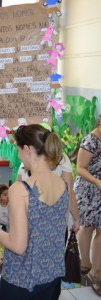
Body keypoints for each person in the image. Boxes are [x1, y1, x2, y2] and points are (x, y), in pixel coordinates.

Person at [0, 124, 69, 300]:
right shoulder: (63, 184)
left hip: (23, 280)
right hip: (52, 276)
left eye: (18, 150)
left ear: (27, 149)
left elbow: (18, 246)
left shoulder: (20, 189)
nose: (18, 156)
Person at [17, 152, 80, 233]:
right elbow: (69, 192)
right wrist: (76, 218)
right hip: (54, 219)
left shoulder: (26, 160)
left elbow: (18, 193)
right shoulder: (61, 159)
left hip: (31, 218)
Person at [73, 114, 101, 296]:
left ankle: (95, 273)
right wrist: (97, 182)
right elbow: (80, 167)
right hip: (88, 189)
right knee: (88, 226)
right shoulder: (92, 139)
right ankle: (85, 263)